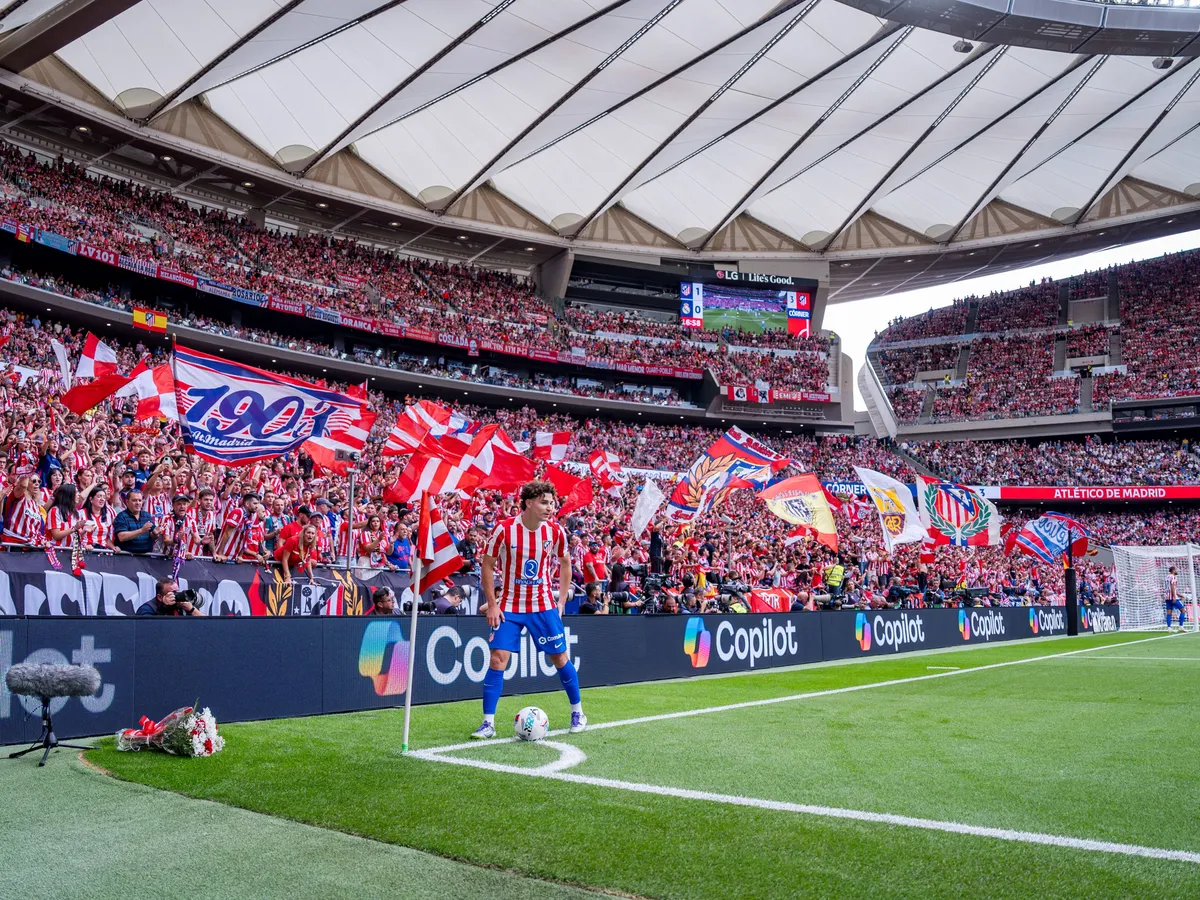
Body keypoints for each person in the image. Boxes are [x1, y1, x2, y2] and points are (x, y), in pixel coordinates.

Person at [470, 480, 586, 739]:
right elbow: (486, 565)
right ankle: (488, 723)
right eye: (544, 502)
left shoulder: (555, 532)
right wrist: (493, 603)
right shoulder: (504, 529)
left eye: (552, 503)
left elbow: (565, 563)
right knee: (498, 658)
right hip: (510, 605)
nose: (549, 508)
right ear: (528, 503)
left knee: (559, 658)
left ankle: (577, 712)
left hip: (543, 604)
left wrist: (562, 600)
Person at [113, 490, 156, 554]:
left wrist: (155, 533)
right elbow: (121, 537)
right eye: (134, 500)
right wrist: (141, 530)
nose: (138, 503)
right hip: (127, 556)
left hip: (146, 556)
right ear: (127, 502)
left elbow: (152, 536)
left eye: (140, 500)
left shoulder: (147, 515)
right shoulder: (121, 516)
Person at [1165, 565, 1187, 632]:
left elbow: (1171, 588)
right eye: (1176, 570)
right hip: (1172, 597)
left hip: (1167, 597)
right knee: (1183, 610)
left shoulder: (1166, 577)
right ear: (1173, 570)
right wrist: (1174, 596)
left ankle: (1169, 628)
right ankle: (1181, 626)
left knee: (1169, 613)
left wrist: (1179, 594)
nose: (1177, 571)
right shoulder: (1173, 577)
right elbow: (1172, 587)